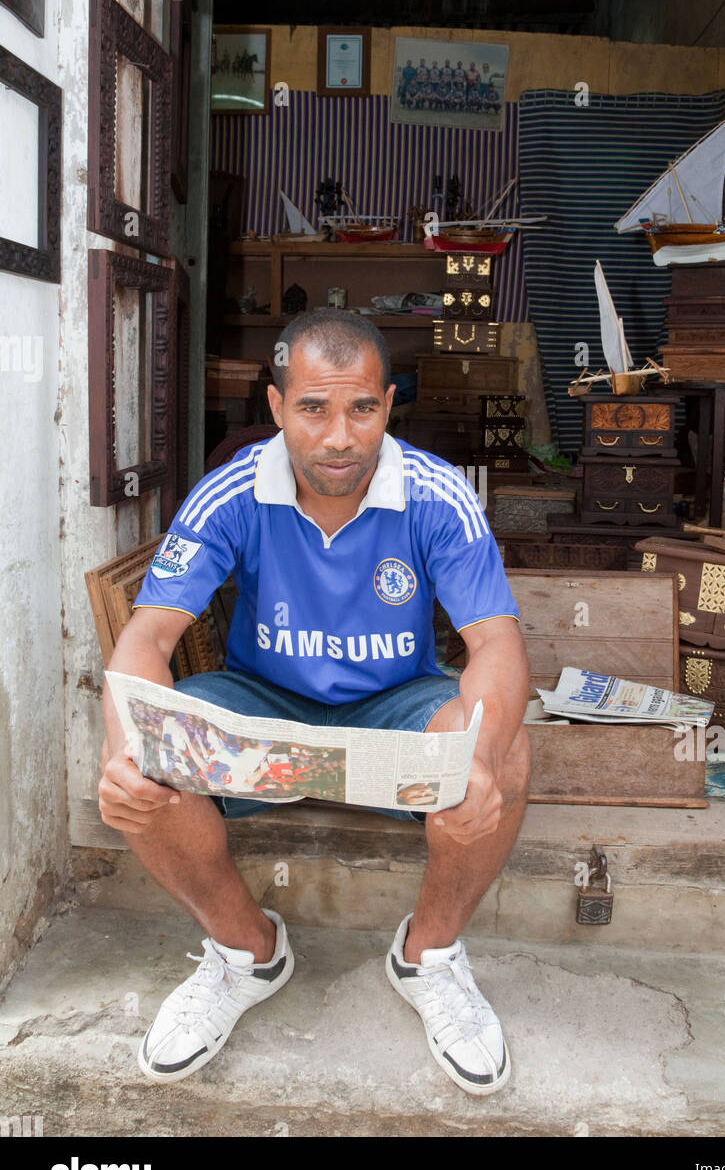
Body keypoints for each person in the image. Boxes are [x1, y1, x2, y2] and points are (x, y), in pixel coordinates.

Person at [99, 309, 531, 1097]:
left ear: (388, 406)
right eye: (313, 408)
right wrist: (121, 750)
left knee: (500, 744)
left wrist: (484, 755)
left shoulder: (439, 495)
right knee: (150, 756)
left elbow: (496, 648)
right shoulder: (229, 491)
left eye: (362, 408)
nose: (340, 436)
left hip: (395, 702)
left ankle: (428, 957)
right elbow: (147, 639)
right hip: (260, 705)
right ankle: (247, 954)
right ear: (275, 406)